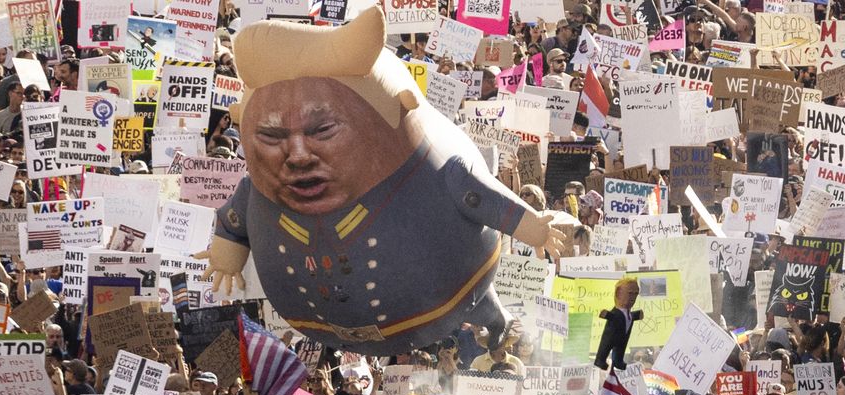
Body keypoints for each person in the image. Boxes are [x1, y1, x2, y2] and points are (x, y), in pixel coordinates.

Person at [201, 7, 566, 357]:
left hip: (446, 299)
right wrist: (226, 256)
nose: (297, 154)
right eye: (270, 135)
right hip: (315, 323)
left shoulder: (438, 170)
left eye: (323, 130)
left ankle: (494, 321)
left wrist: (533, 228)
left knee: (483, 309)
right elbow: (236, 218)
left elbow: (477, 196)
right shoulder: (259, 191)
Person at [594, 277, 642, 370]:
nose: (633, 297)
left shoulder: (628, 313)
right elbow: (615, 317)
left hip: (623, 336)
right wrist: (606, 314)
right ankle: (600, 360)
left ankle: (618, 361)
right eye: (630, 293)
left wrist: (637, 315)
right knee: (605, 347)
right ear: (618, 294)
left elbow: (628, 318)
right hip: (611, 334)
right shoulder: (617, 312)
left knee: (620, 349)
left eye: (636, 294)